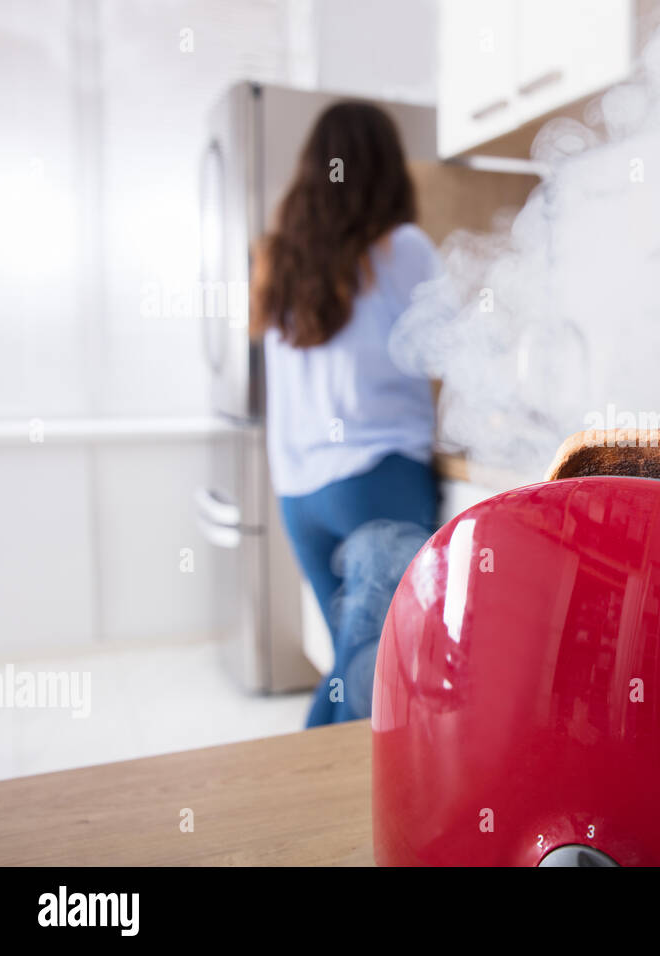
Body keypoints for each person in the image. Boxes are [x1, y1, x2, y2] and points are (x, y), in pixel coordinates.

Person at [250, 101, 441, 726]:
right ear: (389, 169)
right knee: (374, 681)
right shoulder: (402, 248)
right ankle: (325, 812)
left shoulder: (277, 260)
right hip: (376, 480)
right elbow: (452, 349)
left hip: (300, 495)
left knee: (353, 675)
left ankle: (317, 807)